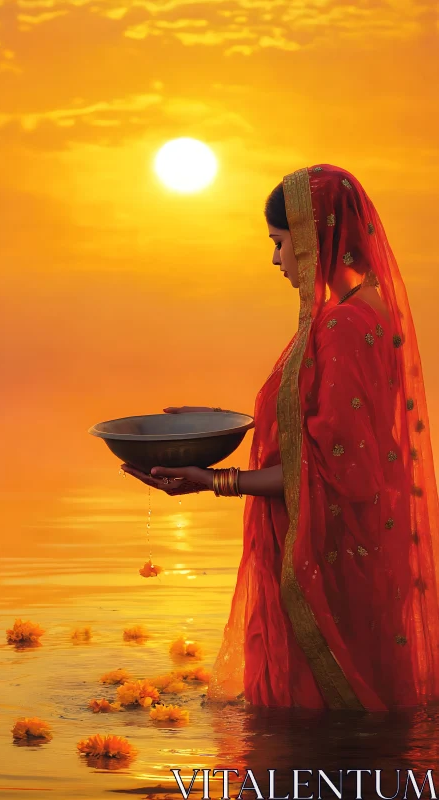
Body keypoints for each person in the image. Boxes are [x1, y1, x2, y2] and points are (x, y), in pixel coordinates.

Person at [121, 164, 439, 710]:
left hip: (329, 568)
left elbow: (338, 471)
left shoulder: (342, 327)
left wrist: (215, 479)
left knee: (318, 723)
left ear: (316, 235)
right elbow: (318, 429)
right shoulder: (367, 310)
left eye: (279, 242)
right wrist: (216, 420)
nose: (275, 259)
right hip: (354, 558)